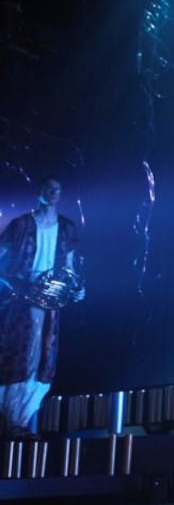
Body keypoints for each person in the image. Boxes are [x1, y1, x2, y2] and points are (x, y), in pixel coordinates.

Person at [0, 176, 84, 440]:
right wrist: (18, 284)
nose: (53, 193)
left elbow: (70, 266)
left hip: (50, 303)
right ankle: (9, 420)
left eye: (58, 189)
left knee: (41, 360)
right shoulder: (21, 225)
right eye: (48, 188)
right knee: (17, 356)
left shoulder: (66, 228)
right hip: (21, 303)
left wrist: (77, 287)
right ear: (39, 192)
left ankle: (20, 421)